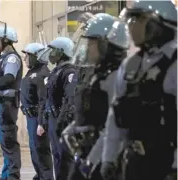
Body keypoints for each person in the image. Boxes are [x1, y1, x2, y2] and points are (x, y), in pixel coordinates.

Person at [100, 1, 177, 180]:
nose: (132, 25)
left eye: (139, 19)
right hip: (133, 162)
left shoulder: (174, 64)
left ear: (159, 23)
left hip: (166, 164)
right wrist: (109, 158)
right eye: (131, 19)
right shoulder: (130, 65)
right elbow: (115, 115)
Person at [63, 13, 130, 180]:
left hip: (104, 157)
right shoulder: (97, 75)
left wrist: (92, 161)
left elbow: (114, 125)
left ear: (106, 45)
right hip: (88, 153)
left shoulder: (117, 77)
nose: (87, 48)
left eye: (91, 43)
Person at [40, 36, 76, 180]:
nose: (50, 54)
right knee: (57, 155)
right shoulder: (56, 71)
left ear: (62, 52)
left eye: (53, 50)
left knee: (66, 156)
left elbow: (69, 98)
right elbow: (48, 98)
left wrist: (63, 120)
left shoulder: (69, 72)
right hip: (53, 119)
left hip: (63, 120)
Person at [0, 24, 22, 180]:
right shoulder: (2, 58)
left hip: (7, 106)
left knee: (8, 141)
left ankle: (12, 176)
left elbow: (9, 78)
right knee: (4, 141)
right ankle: (6, 175)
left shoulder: (11, 58)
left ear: (5, 40)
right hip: (0, 105)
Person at [20, 43, 54, 180]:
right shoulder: (33, 71)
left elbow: (43, 100)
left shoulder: (42, 74)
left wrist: (41, 122)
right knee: (34, 149)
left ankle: (46, 177)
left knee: (41, 150)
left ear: (36, 56)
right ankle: (39, 175)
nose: (24, 58)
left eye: (27, 55)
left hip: (37, 118)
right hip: (31, 117)